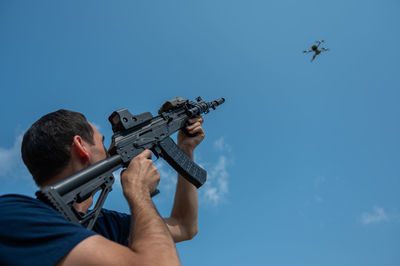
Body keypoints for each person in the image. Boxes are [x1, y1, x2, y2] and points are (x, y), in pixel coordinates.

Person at [0, 109, 205, 266]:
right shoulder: (12, 215)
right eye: (102, 142)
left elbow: (184, 226)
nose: (110, 151)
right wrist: (139, 192)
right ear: (81, 147)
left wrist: (186, 149)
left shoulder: (105, 223)